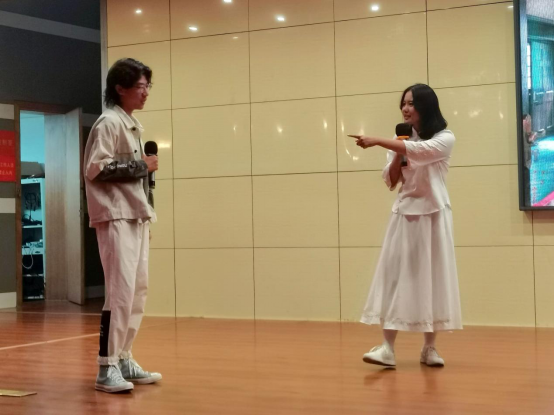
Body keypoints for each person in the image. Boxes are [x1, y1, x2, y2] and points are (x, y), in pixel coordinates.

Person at [349, 84, 463, 368]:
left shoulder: (445, 138)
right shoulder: (399, 139)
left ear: (426, 106)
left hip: (434, 215)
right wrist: (396, 157)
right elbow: (391, 181)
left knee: (433, 277)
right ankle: (387, 348)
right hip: (404, 214)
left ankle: (429, 348)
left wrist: (378, 141)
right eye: (404, 103)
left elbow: (420, 151)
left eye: (411, 103)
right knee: (395, 276)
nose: (405, 108)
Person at [83, 58, 162, 393]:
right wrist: (141, 165)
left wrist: (146, 212)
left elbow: (134, 178)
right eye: (140, 86)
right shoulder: (109, 122)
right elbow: (96, 168)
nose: (145, 93)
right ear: (120, 88)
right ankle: (107, 366)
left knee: (137, 290)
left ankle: (124, 357)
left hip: (134, 216)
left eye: (147, 86)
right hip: (115, 216)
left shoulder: (131, 124)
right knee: (120, 291)